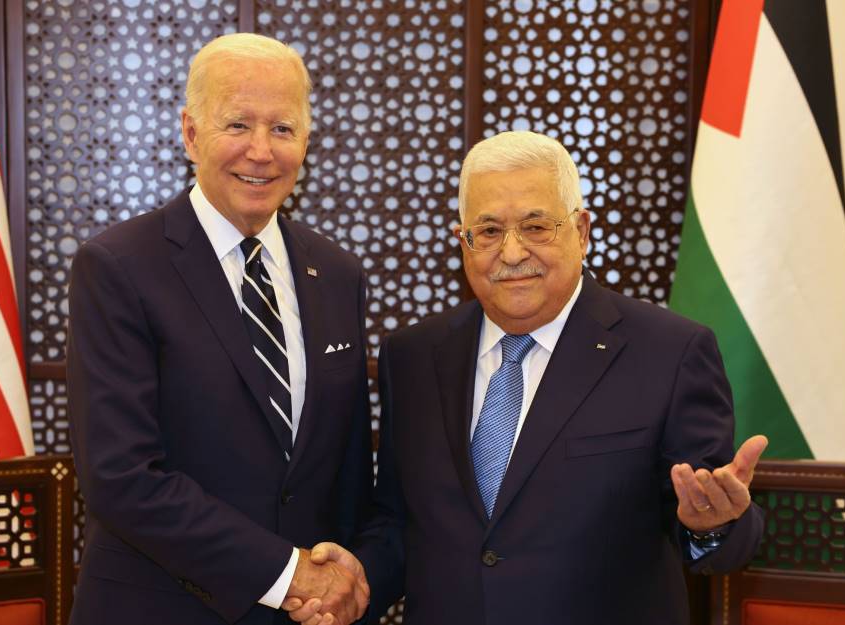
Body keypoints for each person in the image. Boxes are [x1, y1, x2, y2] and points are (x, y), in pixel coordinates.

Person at [289, 130, 767, 624]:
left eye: (537, 227)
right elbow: (400, 521)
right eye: (490, 231)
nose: (512, 253)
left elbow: (712, 515)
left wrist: (713, 526)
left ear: (581, 232)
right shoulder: (411, 356)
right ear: (463, 241)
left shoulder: (670, 352)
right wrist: (358, 579)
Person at [67, 33, 372, 625]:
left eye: (282, 129)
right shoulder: (118, 267)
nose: (261, 151)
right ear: (190, 133)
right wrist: (287, 574)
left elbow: (348, 464)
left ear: (306, 141)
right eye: (238, 125)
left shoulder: (337, 273)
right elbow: (120, 477)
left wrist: (341, 580)